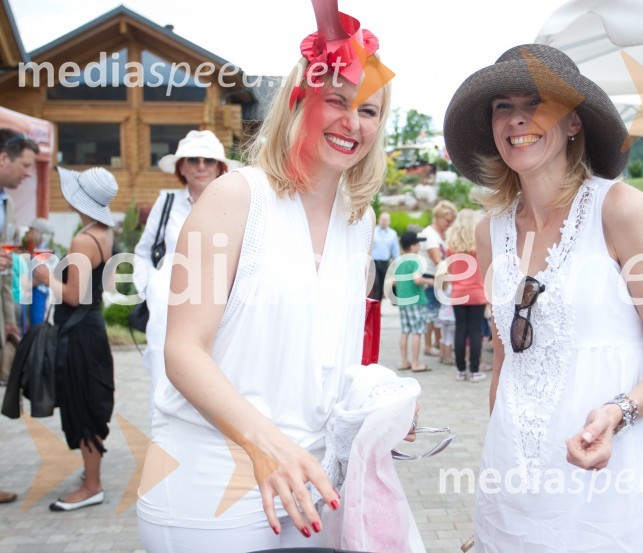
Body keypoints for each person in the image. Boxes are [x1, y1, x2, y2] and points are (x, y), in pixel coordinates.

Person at [135, 3, 415, 550]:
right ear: (298, 101)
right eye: (337, 100)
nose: (352, 122)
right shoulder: (236, 197)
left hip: (314, 486)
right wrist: (268, 446)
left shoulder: (359, 220)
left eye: (369, 110)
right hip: (212, 486)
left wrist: (380, 400)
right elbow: (183, 351)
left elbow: (323, 355)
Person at [444, 44, 643, 550]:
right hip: (516, 480)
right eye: (503, 106)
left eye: (536, 103)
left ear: (573, 122)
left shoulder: (619, 209)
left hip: (612, 471)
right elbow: (505, 362)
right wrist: (497, 485)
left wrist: (616, 413)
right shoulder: (488, 232)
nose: (517, 118)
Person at [133, 130, 238, 409]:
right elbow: (143, 252)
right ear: (181, 167)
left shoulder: (234, 204)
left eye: (208, 160)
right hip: (169, 307)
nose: (201, 166)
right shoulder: (166, 203)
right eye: (193, 160)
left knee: (218, 377)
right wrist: (152, 288)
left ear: (220, 167)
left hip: (220, 305)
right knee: (164, 375)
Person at [33, 167, 117, 511]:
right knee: (89, 399)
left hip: (80, 333)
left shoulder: (84, 239)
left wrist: (44, 277)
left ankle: (92, 486)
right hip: (91, 326)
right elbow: (99, 285)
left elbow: (71, 295)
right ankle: (90, 476)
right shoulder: (104, 232)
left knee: (83, 404)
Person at [0, 129, 38, 504]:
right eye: (25, 165)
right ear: (3, 158)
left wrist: (9, 317)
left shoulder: (7, 204)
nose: (28, 173)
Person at [444, 208, 487, 382]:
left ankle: (461, 370)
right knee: (475, 331)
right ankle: (474, 371)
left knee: (460, 330)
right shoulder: (481, 245)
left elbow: (448, 269)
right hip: (477, 292)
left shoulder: (451, 247)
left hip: (458, 292)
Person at [418, 199, 457, 357]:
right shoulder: (429, 235)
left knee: (438, 315)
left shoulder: (442, 235)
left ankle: (438, 342)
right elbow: (437, 260)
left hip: (440, 277)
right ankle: (428, 346)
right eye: (447, 221)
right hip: (431, 277)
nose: (450, 224)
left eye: (452, 221)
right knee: (430, 314)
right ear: (439, 217)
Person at [393, 231, 433, 373]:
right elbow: (417, 280)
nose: (420, 246)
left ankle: (404, 361)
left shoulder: (399, 261)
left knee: (405, 331)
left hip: (403, 300)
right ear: (412, 246)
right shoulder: (415, 260)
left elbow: (394, 282)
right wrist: (430, 281)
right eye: (418, 244)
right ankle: (416, 363)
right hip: (416, 300)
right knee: (417, 332)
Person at [369, 211, 399, 301]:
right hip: (373, 262)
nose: (384, 222)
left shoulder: (392, 234)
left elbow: (395, 250)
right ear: (379, 220)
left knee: (382, 286)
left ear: (389, 221)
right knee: (375, 284)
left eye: (386, 220)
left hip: (384, 263)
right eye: (382, 220)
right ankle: (372, 304)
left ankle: (378, 306)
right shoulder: (373, 231)